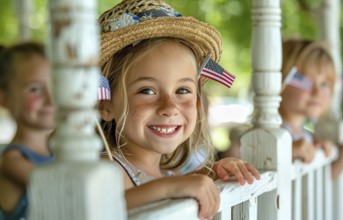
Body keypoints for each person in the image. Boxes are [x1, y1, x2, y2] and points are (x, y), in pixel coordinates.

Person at [97, 0, 260, 219]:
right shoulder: (106, 169)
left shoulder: (165, 173)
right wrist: (172, 187)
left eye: (182, 90)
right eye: (147, 90)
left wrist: (213, 172)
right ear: (105, 104)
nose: (170, 107)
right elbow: (99, 209)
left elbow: (164, 186)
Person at [280, 38, 343, 180]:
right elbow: (242, 156)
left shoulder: (307, 136)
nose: (317, 92)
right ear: (279, 80)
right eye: (304, 80)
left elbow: (330, 175)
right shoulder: (267, 134)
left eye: (324, 84)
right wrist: (284, 153)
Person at [0, 42, 55, 220]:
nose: (50, 99)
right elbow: (67, 192)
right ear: (4, 99)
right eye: (35, 89)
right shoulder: (13, 161)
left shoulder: (57, 150)